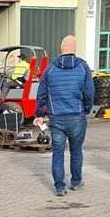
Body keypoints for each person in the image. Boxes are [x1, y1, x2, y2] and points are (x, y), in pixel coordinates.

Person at [34, 36, 94, 196]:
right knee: (76, 151)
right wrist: (86, 110)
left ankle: (60, 187)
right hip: (77, 117)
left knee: (58, 152)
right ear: (75, 49)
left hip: (56, 118)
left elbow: (41, 93)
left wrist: (39, 114)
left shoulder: (50, 69)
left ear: (61, 48)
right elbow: (89, 92)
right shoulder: (83, 67)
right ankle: (75, 182)